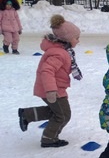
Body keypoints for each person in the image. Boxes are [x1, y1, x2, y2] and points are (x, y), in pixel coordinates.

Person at [18, 15, 82, 147]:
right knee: (63, 115)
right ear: (67, 39)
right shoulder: (59, 53)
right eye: (76, 38)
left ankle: (27, 114)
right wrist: (51, 90)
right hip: (53, 90)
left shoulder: (64, 51)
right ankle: (49, 139)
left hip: (55, 88)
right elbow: (47, 71)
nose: (78, 41)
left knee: (58, 112)